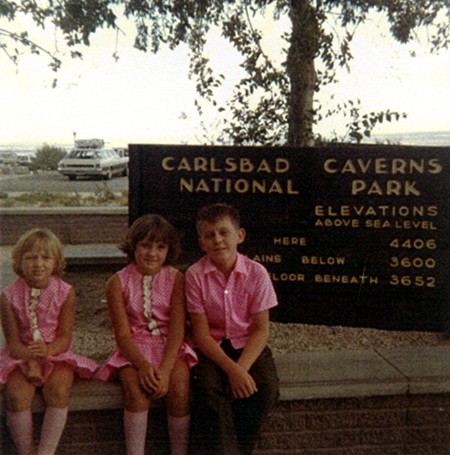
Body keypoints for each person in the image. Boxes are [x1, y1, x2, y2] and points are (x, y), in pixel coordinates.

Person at [97, 214, 197, 455]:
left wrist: (164, 370)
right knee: (135, 392)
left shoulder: (176, 279)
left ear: (168, 250)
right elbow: (122, 333)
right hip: (133, 349)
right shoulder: (117, 282)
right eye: (146, 245)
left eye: (160, 247)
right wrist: (142, 365)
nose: (152, 253)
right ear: (133, 246)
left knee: (180, 389)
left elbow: (176, 329)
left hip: (170, 347)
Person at [185, 203, 280, 455]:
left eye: (223, 232)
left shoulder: (257, 274)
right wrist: (231, 371)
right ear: (201, 243)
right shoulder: (195, 276)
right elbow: (201, 334)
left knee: (266, 389)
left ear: (240, 235)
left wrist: (242, 369)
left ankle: (241, 449)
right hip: (211, 347)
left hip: (246, 343)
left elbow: (260, 330)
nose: (217, 240)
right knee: (208, 390)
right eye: (209, 235)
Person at [0, 228, 99, 455]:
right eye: (31, 257)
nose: (38, 263)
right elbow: (13, 342)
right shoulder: (8, 296)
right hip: (20, 356)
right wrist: (30, 360)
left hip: (56, 353)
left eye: (46, 257)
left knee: (59, 388)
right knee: (16, 395)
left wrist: (46, 352)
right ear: (19, 261)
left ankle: (46, 452)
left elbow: (64, 338)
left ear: (56, 262)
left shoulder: (65, 292)